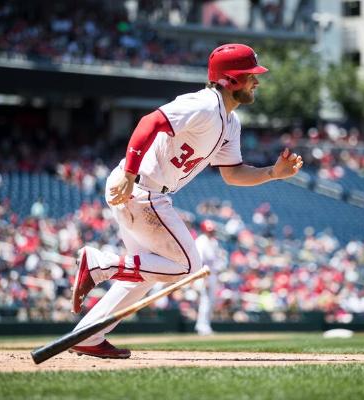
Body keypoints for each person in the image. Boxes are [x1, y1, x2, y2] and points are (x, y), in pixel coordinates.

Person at [69, 43, 304, 358]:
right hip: (141, 189)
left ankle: (88, 334)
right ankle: (101, 265)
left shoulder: (230, 122)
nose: (256, 82)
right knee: (187, 267)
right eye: (250, 76)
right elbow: (148, 123)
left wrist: (272, 173)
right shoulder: (204, 104)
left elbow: (233, 174)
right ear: (230, 80)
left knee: (147, 273)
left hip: (142, 189)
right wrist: (129, 172)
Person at [194, 219, 225, 335]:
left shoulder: (213, 242)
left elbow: (216, 261)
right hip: (204, 275)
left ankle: (206, 325)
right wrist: (204, 279)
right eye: (209, 231)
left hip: (212, 274)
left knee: (211, 301)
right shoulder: (200, 241)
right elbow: (200, 262)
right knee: (205, 301)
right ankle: (202, 326)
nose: (211, 233)